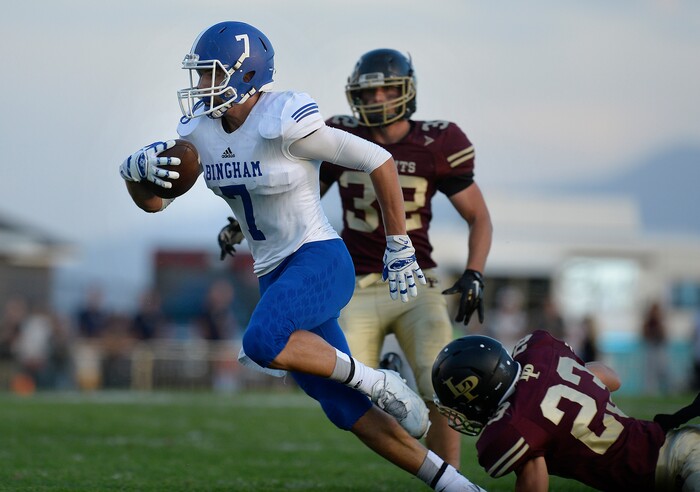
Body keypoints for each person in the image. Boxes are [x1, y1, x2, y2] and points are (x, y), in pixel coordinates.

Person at [119, 21, 483, 491]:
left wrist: (399, 244)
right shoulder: (198, 133)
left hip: (318, 260)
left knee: (260, 343)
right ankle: (455, 485)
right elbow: (155, 203)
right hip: (273, 273)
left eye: (211, 74)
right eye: (200, 75)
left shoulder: (284, 118)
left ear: (245, 74)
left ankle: (378, 380)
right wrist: (133, 176)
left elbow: (380, 160)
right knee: (344, 409)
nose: (202, 85)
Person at [318, 48, 492, 468]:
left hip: (416, 281)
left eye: (386, 89)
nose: (377, 98)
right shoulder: (340, 134)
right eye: (369, 91)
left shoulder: (439, 141)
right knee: (351, 395)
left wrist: (474, 272)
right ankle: (390, 387)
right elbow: (298, 194)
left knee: (444, 384)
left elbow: (478, 217)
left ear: (406, 91)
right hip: (354, 285)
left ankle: (449, 479)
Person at [432, 330, 700, 491]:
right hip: (675, 445)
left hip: (680, 462)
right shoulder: (539, 352)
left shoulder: (515, 427)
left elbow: (531, 471)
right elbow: (611, 378)